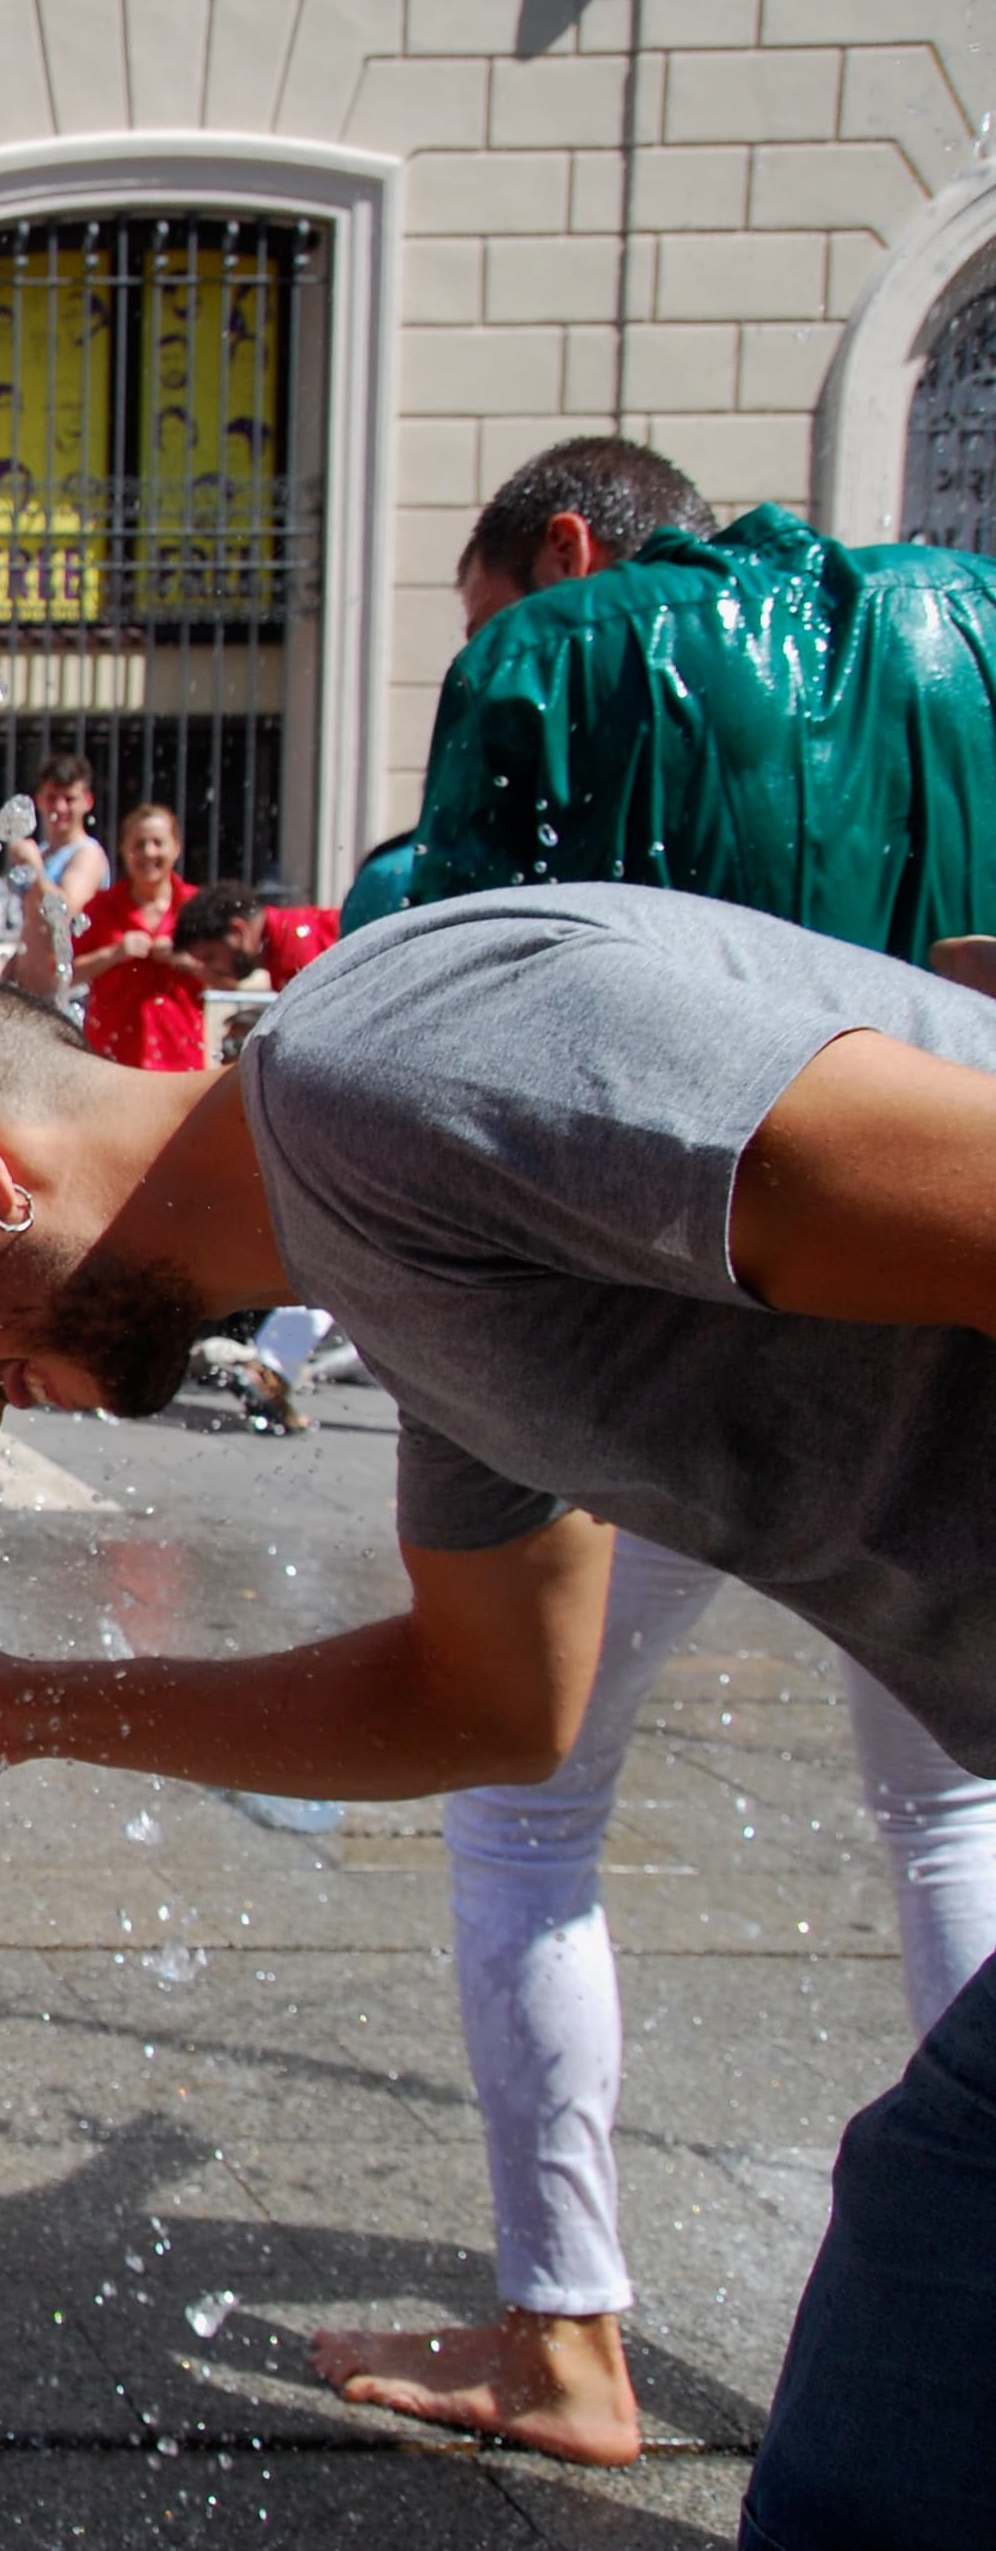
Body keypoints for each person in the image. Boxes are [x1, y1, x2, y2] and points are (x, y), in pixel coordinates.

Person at [0, 897, 996, 2551]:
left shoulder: (388, 1064)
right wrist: (14, 1706)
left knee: (898, 2396)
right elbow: (489, 1704)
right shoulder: (398, 1282)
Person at [250, 432, 996, 2466]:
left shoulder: (583, 644)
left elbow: (469, 967)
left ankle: (564, 2327)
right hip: (941, 1325)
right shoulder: (951, 619)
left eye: (484, 609)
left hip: (652, 1312)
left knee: (521, 1795)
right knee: (946, 1815)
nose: (490, 648)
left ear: (559, 556)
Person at [404, 437, 996, 964]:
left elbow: (453, 970)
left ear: (566, 551)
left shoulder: (534, 650)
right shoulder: (971, 605)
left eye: (482, 623)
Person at [67, 804, 211, 1070]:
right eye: (139, 844)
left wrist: (182, 960)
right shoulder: (100, 907)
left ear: (176, 847)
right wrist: (114, 953)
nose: (148, 852)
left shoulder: (197, 906)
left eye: (158, 843)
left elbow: (230, 979)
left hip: (179, 1061)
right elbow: (64, 974)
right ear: (124, 850)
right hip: (111, 1062)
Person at [0, 752, 108, 992]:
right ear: (39, 800)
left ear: (87, 801)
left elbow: (64, 912)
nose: (59, 807)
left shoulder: (87, 855)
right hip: (33, 994)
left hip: (71, 994)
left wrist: (35, 869)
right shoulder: (45, 853)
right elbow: (34, 925)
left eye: (69, 799)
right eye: (52, 798)